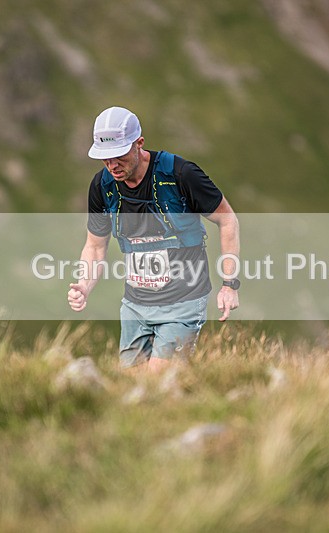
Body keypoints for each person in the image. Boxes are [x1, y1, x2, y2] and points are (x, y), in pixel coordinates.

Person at [68, 106, 240, 372]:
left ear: (139, 143)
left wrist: (229, 284)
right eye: (105, 158)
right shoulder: (102, 186)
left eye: (119, 155)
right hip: (134, 308)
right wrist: (84, 285)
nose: (112, 165)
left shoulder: (180, 174)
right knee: (133, 387)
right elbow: (95, 246)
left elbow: (227, 220)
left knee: (158, 381)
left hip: (183, 303)